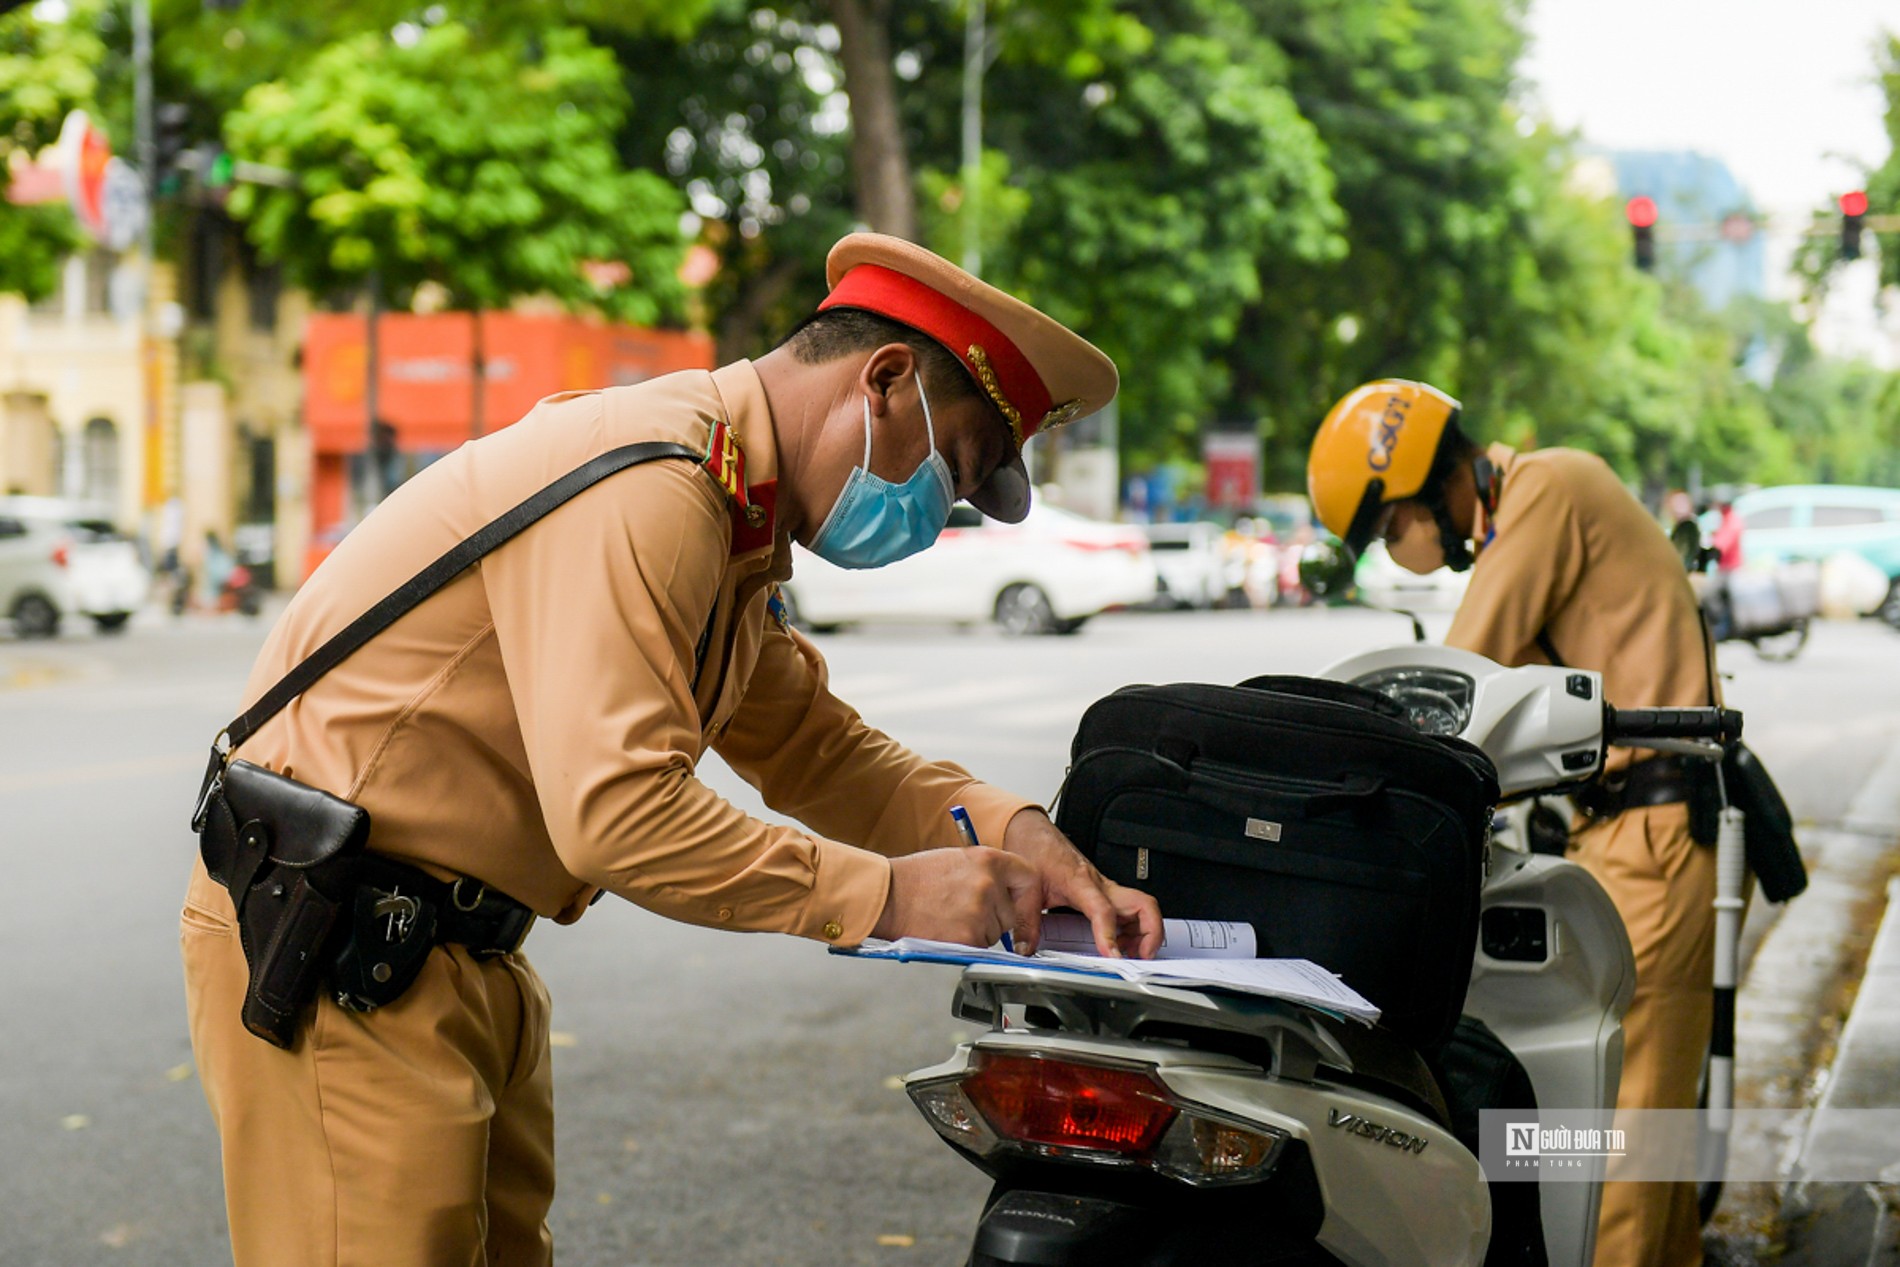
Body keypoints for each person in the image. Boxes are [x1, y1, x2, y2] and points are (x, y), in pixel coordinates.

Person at [181, 232, 1164, 1267]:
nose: (936, 513)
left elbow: (815, 750)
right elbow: (618, 813)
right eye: (949, 469)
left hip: (447, 955)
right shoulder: (654, 484)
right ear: (881, 380)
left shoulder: (729, 507)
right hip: (341, 946)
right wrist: (886, 899)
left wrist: (1017, 832)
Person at [1307, 379, 1717, 1267]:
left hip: (1649, 836)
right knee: (1652, 1138)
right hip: (1627, 833)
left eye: (1389, 530)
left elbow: (1465, 676)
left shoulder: (1546, 491)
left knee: (1612, 1150)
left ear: (1427, 488)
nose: (1399, 551)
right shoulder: (1537, 502)